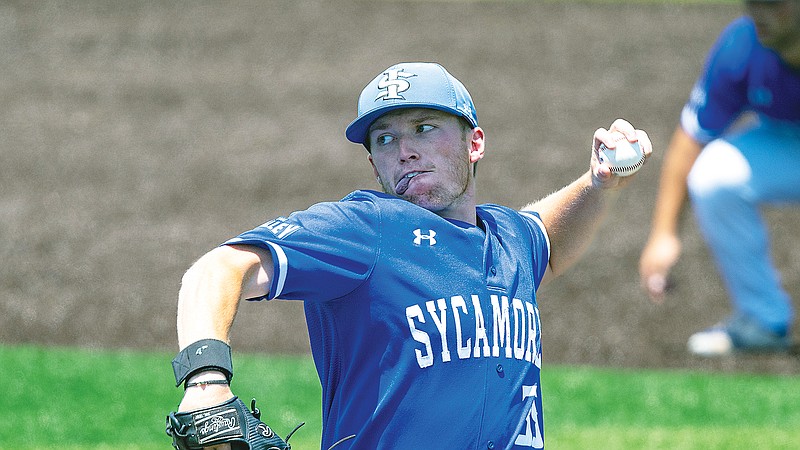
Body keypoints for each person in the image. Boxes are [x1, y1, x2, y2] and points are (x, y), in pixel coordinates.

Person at [171, 61, 652, 449]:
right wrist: (204, 378)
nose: (404, 150)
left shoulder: (511, 241)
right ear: (372, 162)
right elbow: (221, 267)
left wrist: (599, 184)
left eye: (424, 128)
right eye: (385, 139)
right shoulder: (365, 228)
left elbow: (547, 239)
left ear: (474, 143)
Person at [639, 0, 800, 357]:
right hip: (788, 144)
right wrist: (665, 234)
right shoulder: (742, 46)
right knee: (713, 176)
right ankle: (763, 321)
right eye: (754, 2)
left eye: (774, 3)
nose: (760, 12)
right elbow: (691, 138)